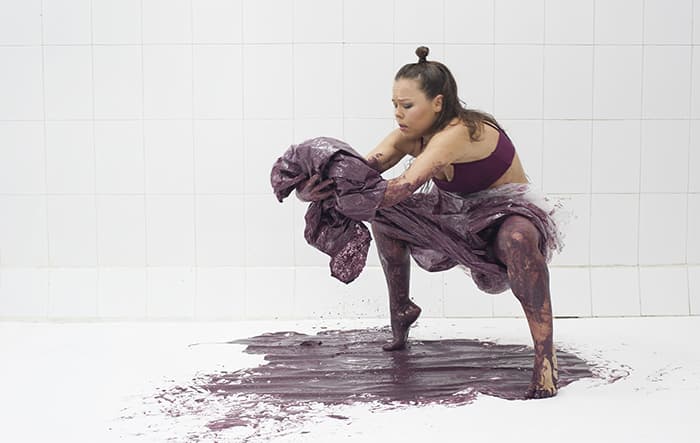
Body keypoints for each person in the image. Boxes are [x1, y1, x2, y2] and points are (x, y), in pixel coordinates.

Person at [298, 46, 559, 399]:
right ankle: (401, 311)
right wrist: (310, 189)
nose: (398, 114)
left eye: (407, 105)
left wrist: (343, 194)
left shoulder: (459, 132)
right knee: (384, 215)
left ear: (437, 103)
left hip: (505, 216)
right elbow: (358, 175)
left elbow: (400, 188)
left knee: (518, 238)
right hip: (456, 213)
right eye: (394, 104)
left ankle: (545, 363)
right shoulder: (407, 137)